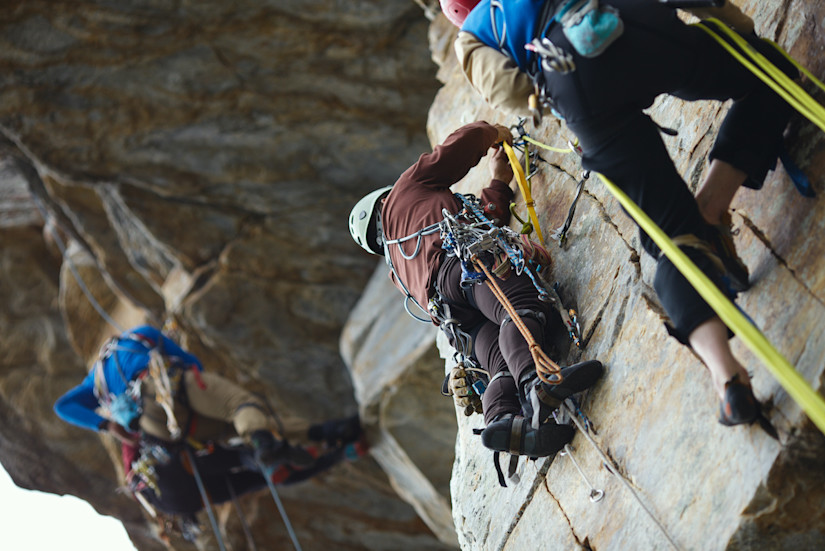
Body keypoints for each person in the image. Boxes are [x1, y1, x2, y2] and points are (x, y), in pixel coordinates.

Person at [441, 0, 798, 428]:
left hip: (574, 87)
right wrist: (736, 30)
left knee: (670, 239)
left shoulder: (474, 36)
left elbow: (509, 91)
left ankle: (728, 377)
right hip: (630, 28)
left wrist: (549, 93)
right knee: (770, 74)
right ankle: (712, 204)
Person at [349, 120, 603, 463]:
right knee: (518, 306)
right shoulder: (404, 191)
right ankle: (535, 382)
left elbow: (483, 218)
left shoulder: (398, 269)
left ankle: (503, 420)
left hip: (454, 314)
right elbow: (458, 148)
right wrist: (493, 132)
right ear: (383, 201)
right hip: (467, 264)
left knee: (495, 356)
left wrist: (499, 182)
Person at [54, 325, 310, 468]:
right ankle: (284, 440)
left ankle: (272, 450)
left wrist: (108, 425)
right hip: (167, 385)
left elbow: (63, 406)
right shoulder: (139, 334)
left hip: (155, 426)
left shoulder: (94, 384)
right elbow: (191, 362)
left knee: (226, 430)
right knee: (239, 405)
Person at [122, 415, 367, 521]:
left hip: (177, 504)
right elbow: (138, 436)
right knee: (239, 457)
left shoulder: (135, 484)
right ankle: (268, 463)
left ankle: (340, 455)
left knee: (254, 481)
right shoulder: (131, 426)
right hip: (169, 470)